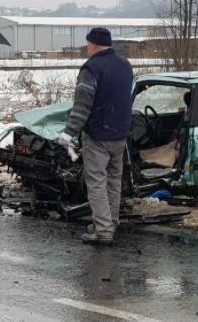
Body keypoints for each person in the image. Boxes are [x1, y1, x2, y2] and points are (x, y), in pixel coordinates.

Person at [57, 28, 133, 245]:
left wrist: (69, 132)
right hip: (120, 133)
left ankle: (103, 230)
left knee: (96, 181)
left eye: (88, 43)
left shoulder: (91, 68)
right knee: (113, 180)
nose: (86, 47)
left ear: (94, 44)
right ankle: (111, 222)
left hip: (98, 133)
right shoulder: (125, 65)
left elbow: (82, 106)